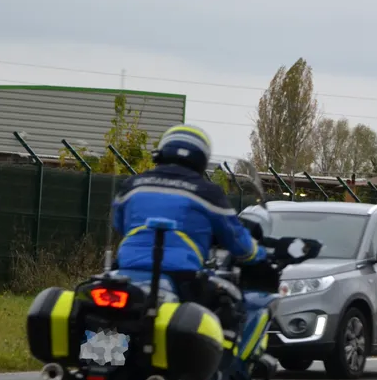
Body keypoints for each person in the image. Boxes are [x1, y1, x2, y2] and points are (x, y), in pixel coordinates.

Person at [110, 125, 266, 325]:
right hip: (181, 278)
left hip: (125, 271)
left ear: (163, 151)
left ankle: (102, 351)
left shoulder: (132, 185)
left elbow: (119, 224)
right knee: (227, 315)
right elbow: (238, 243)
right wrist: (259, 254)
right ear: (201, 159)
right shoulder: (208, 193)